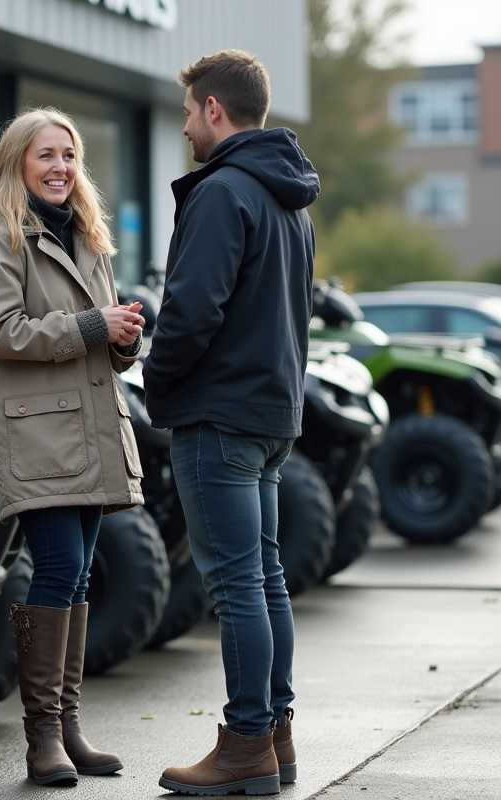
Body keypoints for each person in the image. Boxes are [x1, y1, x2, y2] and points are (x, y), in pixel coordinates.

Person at [141, 50, 319, 796]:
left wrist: (154, 375)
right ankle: (272, 734)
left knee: (239, 582)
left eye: (187, 111)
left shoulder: (223, 192)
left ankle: (246, 741)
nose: (183, 126)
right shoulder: (290, 199)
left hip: (219, 417)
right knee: (264, 578)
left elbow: (191, 311)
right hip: (271, 414)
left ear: (215, 108)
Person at [0, 107, 146, 787]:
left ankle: (68, 728)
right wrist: (92, 324)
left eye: (69, 156)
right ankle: (41, 736)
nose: (61, 168)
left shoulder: (90, 239)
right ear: (17, 163)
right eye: (46, 155)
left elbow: (98, 344)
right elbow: (4, 332)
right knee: (57, 566)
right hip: (37, 432)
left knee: (76, 574)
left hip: (91, 427)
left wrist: (125, 337)